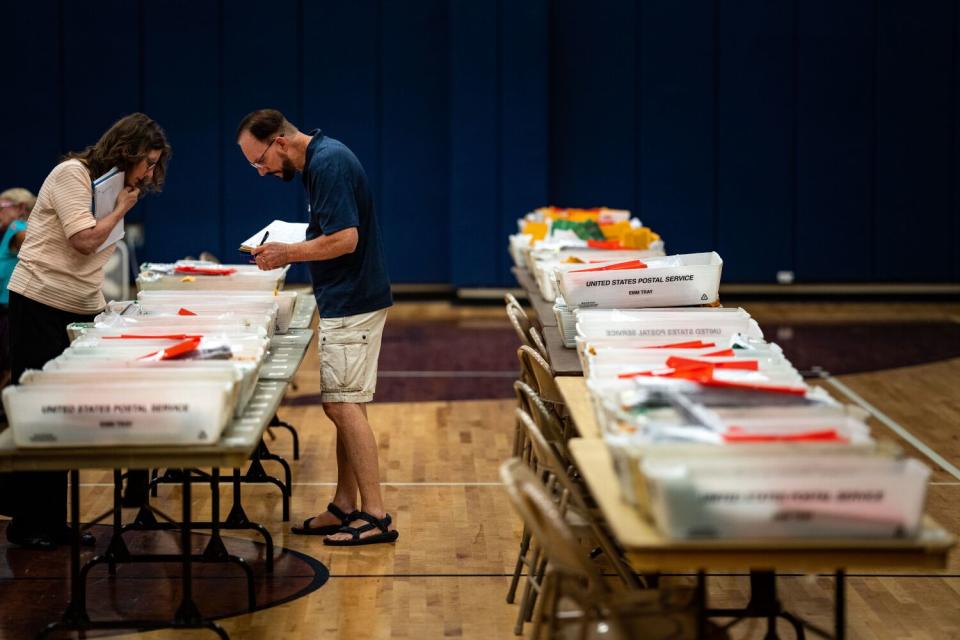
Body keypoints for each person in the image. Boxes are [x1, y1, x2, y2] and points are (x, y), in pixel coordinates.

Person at [0, 113, 171, 549]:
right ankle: (26, 522)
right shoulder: (71, 174)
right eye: (147, 161)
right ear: (126, 150)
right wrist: (121, 210)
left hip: (77, 304)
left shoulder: (114, 187)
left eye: (154, 165)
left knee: (64, 417)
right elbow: (82, 240)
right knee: (39, 411)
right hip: (38, 303)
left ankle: (52, 521)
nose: (149, 173)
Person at [236, 109, 398, 546]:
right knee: (348, 404)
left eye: (260, 161)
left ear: (281, 143)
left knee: (343, 406)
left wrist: (288, 252)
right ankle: (347, 504)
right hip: (348, 298)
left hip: (352, 301)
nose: (262, 171)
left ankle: (376, 515)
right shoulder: (320, 161)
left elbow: (346, 238)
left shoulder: (327, 163)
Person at [0, 189, 35, 390]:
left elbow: (28, 240)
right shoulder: (10, 229)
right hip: (5, 307)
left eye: (2, 208)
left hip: (8, 308)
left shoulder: (18, 227)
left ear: (21, 208)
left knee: (7, 362)